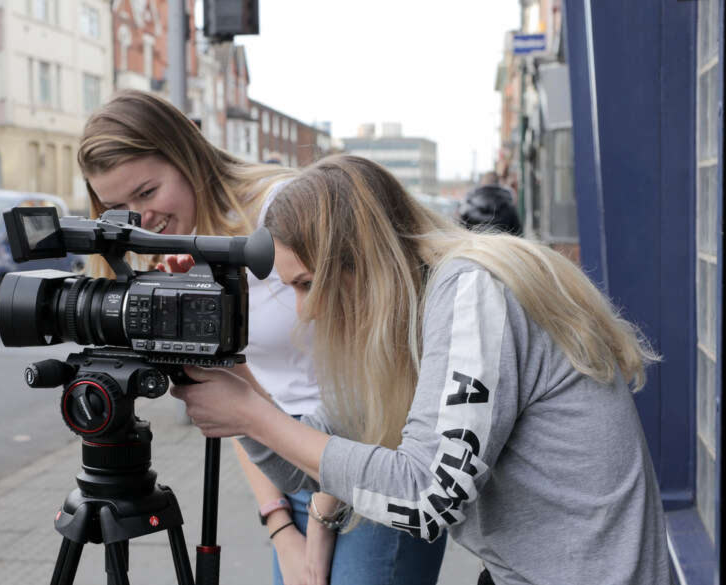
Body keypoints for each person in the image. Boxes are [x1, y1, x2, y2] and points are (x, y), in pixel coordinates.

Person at [171, 154, 675, 585]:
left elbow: (427, 499)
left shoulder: (472, 290)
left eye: (307, 284)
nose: (306, 311)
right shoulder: (406, 327)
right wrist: (241, 390)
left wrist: (255, 418)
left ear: (360, 261)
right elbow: (301, 462)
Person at [77, 92, 446, 585]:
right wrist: (279, 526)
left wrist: (319, 522)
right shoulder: (178, 243)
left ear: (186, 153)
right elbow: (230, 397)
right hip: (285, 461)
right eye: (118, 205)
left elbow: (379, 372)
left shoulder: (287, 213)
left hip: (371, 459)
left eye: (147, 192)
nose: (139, 219)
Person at [458, 171, 523, 236]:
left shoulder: (468, 206)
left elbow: (461, 234)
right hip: (502, 244)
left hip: (476, 245)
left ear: (482, 183)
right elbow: (518, 234)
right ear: (499, 183)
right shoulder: (509, 207)